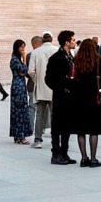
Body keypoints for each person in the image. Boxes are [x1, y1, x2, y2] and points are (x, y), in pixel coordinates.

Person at [72, 37, 101, 166]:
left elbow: (73, 79)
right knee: (94, 130)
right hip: (95, 98)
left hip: (79, 99)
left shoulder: (77, 61)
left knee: (81, 130)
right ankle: (93, 159)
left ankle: (84, 158)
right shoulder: (100, 61)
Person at [44, 31, 77, 164]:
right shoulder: (56, 58)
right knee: (57, 125)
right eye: (73, 40)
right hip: (60, 96)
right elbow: (48, 79)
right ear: (67, 42)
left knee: (67, 125)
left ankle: (64, 152)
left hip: (70, 97)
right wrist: (61, 88)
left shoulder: (71, 57)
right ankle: (56, 153)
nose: (75, 42)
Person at [29, 33, 56, 149]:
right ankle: (56, 139)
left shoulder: (35, 52)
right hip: (55, 88)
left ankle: (38, 139)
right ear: (52, 39)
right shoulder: (57, 50)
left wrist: (37, 80)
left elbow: (31, 71)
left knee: (40, 114)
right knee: (55, 115)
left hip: (41, 87)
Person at [8, 39, 33, 144]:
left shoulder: (15, 59)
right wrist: (24, 58)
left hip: (20, 84)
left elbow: (24, 71)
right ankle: (20, 136)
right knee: (19, 111)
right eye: (21, 47)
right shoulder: (14, 59)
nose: (23, 49)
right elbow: (25, 69)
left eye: (24, 47)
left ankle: (19, 135)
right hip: (18, 86)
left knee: (21, 110)